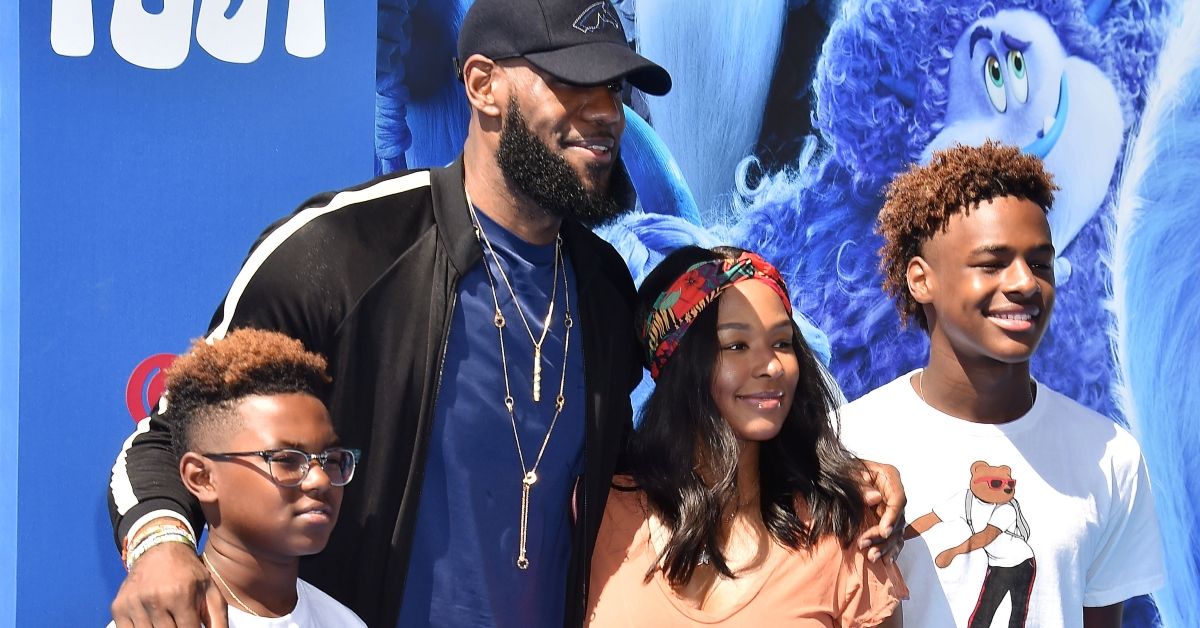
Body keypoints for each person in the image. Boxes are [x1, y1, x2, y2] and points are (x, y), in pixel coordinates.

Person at [107, 1, 904, 626]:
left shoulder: (600, 285)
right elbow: (168, 437)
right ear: (483, 84)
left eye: (615, 89)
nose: (604, 114)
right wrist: (161, 545)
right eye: (572, 82)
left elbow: (686, 442)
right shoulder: (344, 250)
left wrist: (837, 478)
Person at [837, 141, 1165, 628]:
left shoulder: (1109, 455)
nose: (1026, 284)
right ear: (921, 280)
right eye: (992, 263)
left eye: (1040, 263)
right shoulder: (848, 442)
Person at [587, 246, 906, 626]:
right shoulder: (600, 516)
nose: (772, 366)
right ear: (678, 364)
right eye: (737, 345)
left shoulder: (841, 526)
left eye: (782, 342)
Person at [110, 328, 365, 627]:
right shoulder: (160, 622)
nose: (320, 480)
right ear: (202, 478)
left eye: (331, 459)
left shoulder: (345, 622)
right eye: (285, 459)